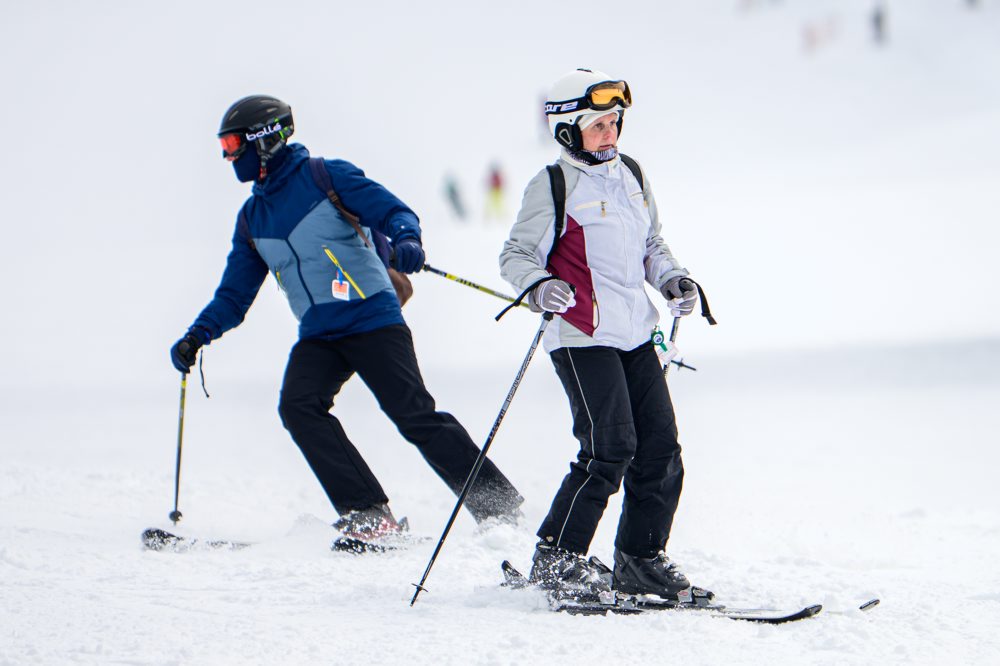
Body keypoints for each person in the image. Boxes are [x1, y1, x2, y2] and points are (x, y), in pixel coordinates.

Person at [171, 95, 523, 544]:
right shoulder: (252, 217)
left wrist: (407, 240)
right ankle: (368, 513)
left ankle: (498, 507)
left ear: (266, 140)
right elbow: (235, 296)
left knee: (413, 413)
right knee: (299, 407)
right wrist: (197, 335)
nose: (228, 155)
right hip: (320, 332)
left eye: (233, 142)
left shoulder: (325, 176)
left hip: (372, 317)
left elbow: (395, 212)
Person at [499, 70, 710, 601]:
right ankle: (557, 560)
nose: (611, 133)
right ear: (568, 131)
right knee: (609, 448)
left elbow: (651, 245)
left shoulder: (631, 174)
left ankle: (640, 559)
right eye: (598, 125)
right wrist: (539, 284)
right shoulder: (552, 185)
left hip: (635, 331)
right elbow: (516, 255)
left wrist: (673, 279)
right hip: (581, 334)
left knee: (660, 448)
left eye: (615, 122)